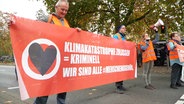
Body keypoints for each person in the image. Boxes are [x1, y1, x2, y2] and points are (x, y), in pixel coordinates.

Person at [34, 0, 80, 104]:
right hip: (50, 57)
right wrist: (15, 22)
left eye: (66, 10)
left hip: (63, 58)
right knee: (46, 84)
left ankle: (61, 102)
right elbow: (32, 25)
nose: (64, 12)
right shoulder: (48, 18)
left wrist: (76, 31)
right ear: (56, 7)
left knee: (63, 84)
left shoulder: (66, 22)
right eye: (62, 9)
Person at [113, 25, 127, 94]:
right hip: (118, 56)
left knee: (122, 71)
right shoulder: (116, 36)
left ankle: (121, 85)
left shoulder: (124, 37)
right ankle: (118, 87)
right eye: (123, 28)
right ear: (119, 29)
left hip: (123, 56)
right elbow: (114, 44)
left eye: (125, 28)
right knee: (118, 71)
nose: (124, 29)